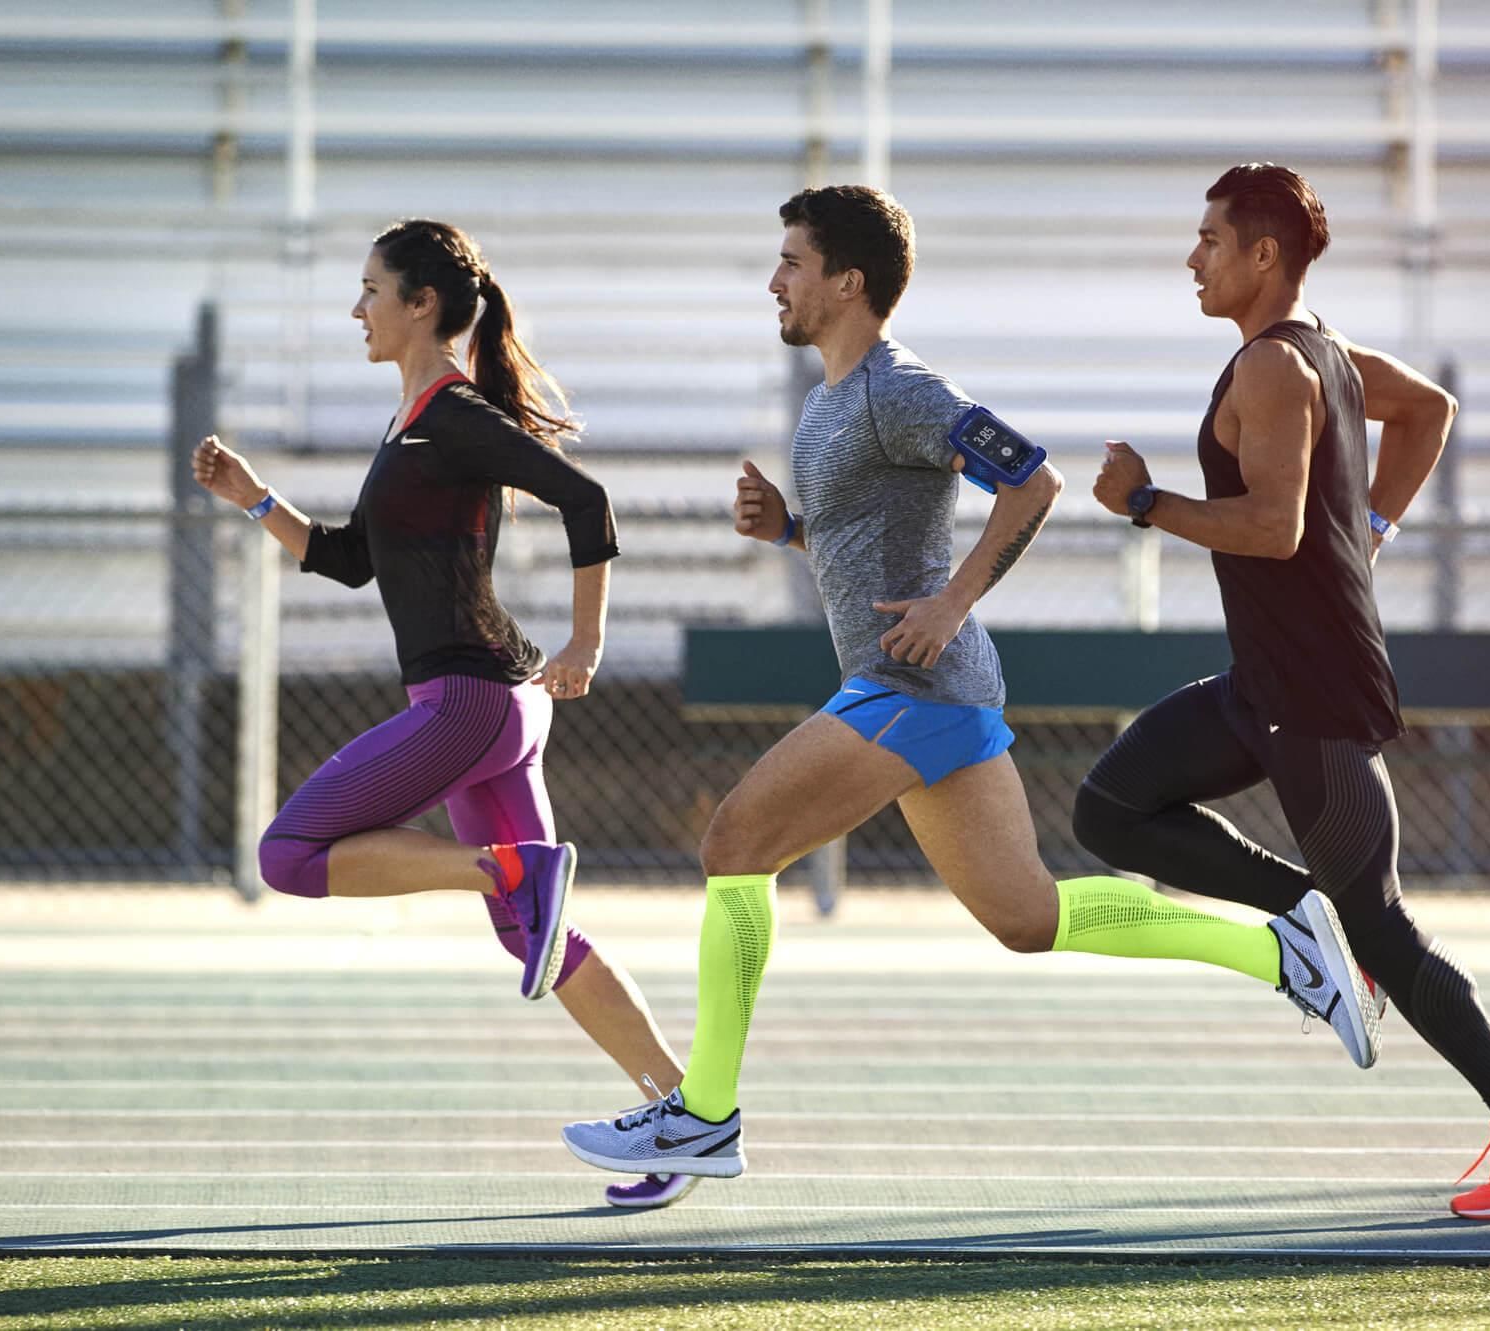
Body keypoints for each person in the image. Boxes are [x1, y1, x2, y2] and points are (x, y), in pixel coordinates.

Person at [559, 185, 1382, 1183]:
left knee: (733, 841)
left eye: (791, 262)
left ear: (846, 281)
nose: (774, 281)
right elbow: (866, 543)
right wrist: (787, 527)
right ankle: (1283, 952)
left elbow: (1030, 480)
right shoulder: (830, 400)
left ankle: (705, 1113)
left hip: (912, 683)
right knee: (1028, 917)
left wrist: (948, 602)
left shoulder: (899, 389)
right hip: (931, 689)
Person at [1081, 162, 1490, 1221]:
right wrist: (1371, 530)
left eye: (1210, 239)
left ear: (1262, 254)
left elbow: (1270, 529)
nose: (1193, 257)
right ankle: (1297, 912)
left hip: (1309, 693)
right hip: (1261, 683)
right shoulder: (1323, 354)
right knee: (1109, 807)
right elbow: (1428, 411)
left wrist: (1145, 502)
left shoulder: (1277, 367)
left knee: (1385, 932)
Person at [193, 218, 696, 1210]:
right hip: (492, 709)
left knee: (288, 854)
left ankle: (506, 867)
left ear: (421, 304)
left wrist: (586, 643)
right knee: (533, 936)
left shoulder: (452, 415)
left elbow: (586, 502)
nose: (357, 309)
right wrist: (255, 498)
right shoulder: (411, 421)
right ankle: (681, 1113)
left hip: (473, 704)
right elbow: (347, 561)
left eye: (371, 290)